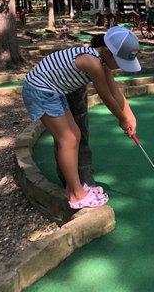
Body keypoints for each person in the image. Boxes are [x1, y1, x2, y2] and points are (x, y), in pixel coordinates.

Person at [22, 27, 141, 209]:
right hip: (40, 91)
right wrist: (121, 119)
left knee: (75, 135)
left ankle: (74, 187)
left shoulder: (102, 60)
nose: (119, 66)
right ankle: (78, 196)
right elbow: (106, 96)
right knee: (67, 139)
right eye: (119, 61)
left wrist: (130, 116)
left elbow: (114, 90)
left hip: (54, 92)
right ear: (108, 52)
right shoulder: (92, 62)